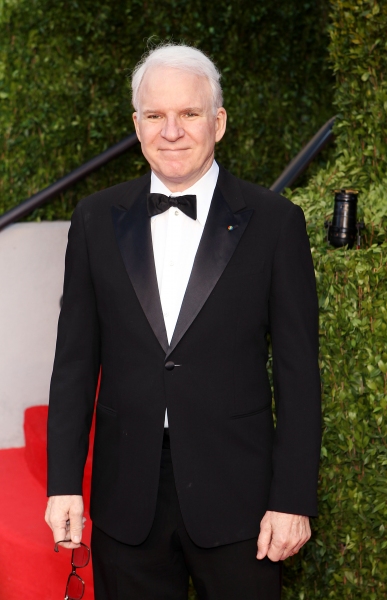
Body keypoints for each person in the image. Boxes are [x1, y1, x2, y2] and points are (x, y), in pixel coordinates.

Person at [45, 43, 321, 600]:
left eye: (189, 113)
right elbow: (74, 362)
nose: (172, 130)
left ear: (217, 121)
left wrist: (292, 498)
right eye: (155, 115)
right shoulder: (95, 219)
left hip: (241, 499)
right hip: (126, 497)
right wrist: (63, 484)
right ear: (137, 125)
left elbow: (297, 374)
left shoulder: (275, 223)